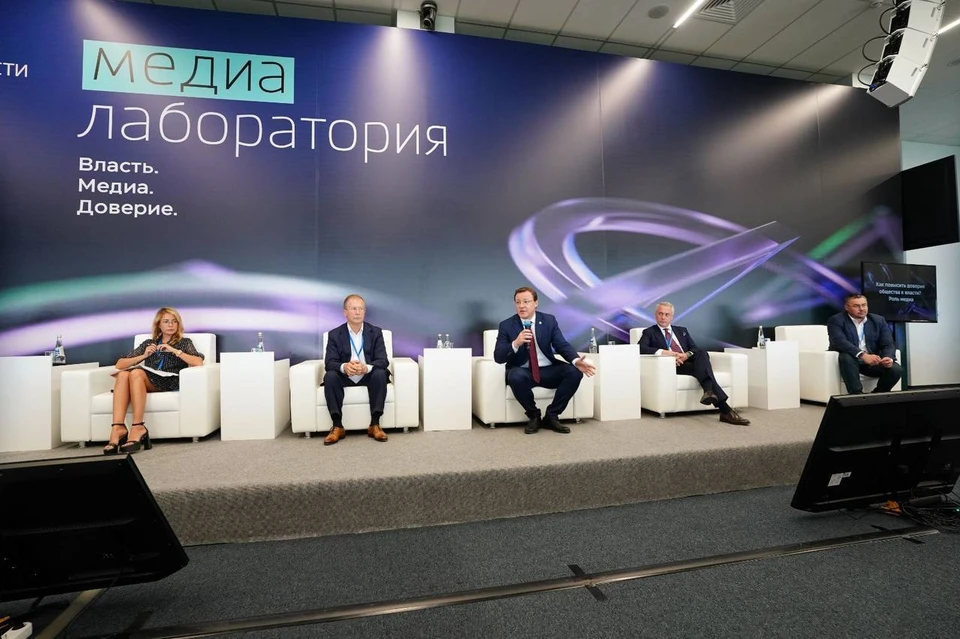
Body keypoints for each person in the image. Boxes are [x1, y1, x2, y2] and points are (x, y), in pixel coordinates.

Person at [104, 307, 205, 454]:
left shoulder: (184, 342)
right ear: (159, 325)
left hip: (170, 380)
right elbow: (120, 364)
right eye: (166, 321)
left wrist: (174, 351)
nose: (170, 325)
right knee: (123, 375)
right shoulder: (149, 343)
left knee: (136, 373)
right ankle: (118, 427)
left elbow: (198, 362)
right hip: (149, 379)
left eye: (174, 321)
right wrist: (144, 356)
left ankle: (138, 426)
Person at [494, 287, 596, 434]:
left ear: (536, 303)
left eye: (526, 301)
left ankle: (552, 416)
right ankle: (534, 415)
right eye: (518, 302)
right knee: (515, 376)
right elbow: (498, 357)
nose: (522, 306)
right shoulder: (506, 325)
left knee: (574, 372)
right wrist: (515, 343)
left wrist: (575, 360)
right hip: (523, 371)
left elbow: (561, 344)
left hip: (548, 369)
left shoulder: (549, 320)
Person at [637, 302, 750, 425]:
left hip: (688, 361)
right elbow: (640, 348)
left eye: (667, 314)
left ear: (672, 317)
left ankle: (711, 394)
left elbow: (694, 348)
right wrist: (665, 353)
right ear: (655, 315)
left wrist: (686, 355)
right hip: (672, 365)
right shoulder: (649, 332)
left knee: (701, 353)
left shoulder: (682, 331)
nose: (663, 317)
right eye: (660, 314)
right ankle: (724, 408)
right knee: (703, 369)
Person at [322, 294, 391, 445]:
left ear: (365, 312)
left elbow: (383, 360)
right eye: (354, 309)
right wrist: (344, 367)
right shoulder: (334, 334)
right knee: (330, 376)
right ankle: (337, 426)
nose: (358, 312)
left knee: (380, 373)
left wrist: (366, 368)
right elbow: (329, 363)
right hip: (345, 376)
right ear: (345, 312)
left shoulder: (375, 332)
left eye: (361, 309)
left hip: (367, 374)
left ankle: (375, 424)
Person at [827, 293, 903, 394]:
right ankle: (857, 395)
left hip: (872, 361)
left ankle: (878, 395)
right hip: (850, 361)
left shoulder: (878, 320)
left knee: (895, 369)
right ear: (847, 307)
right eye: (856, 306)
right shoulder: (836, 320)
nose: (861, 309)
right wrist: (862, 355)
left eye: (864, 305)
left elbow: (888, 343)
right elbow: (839, 342)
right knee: (847, 356)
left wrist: (887, 357)